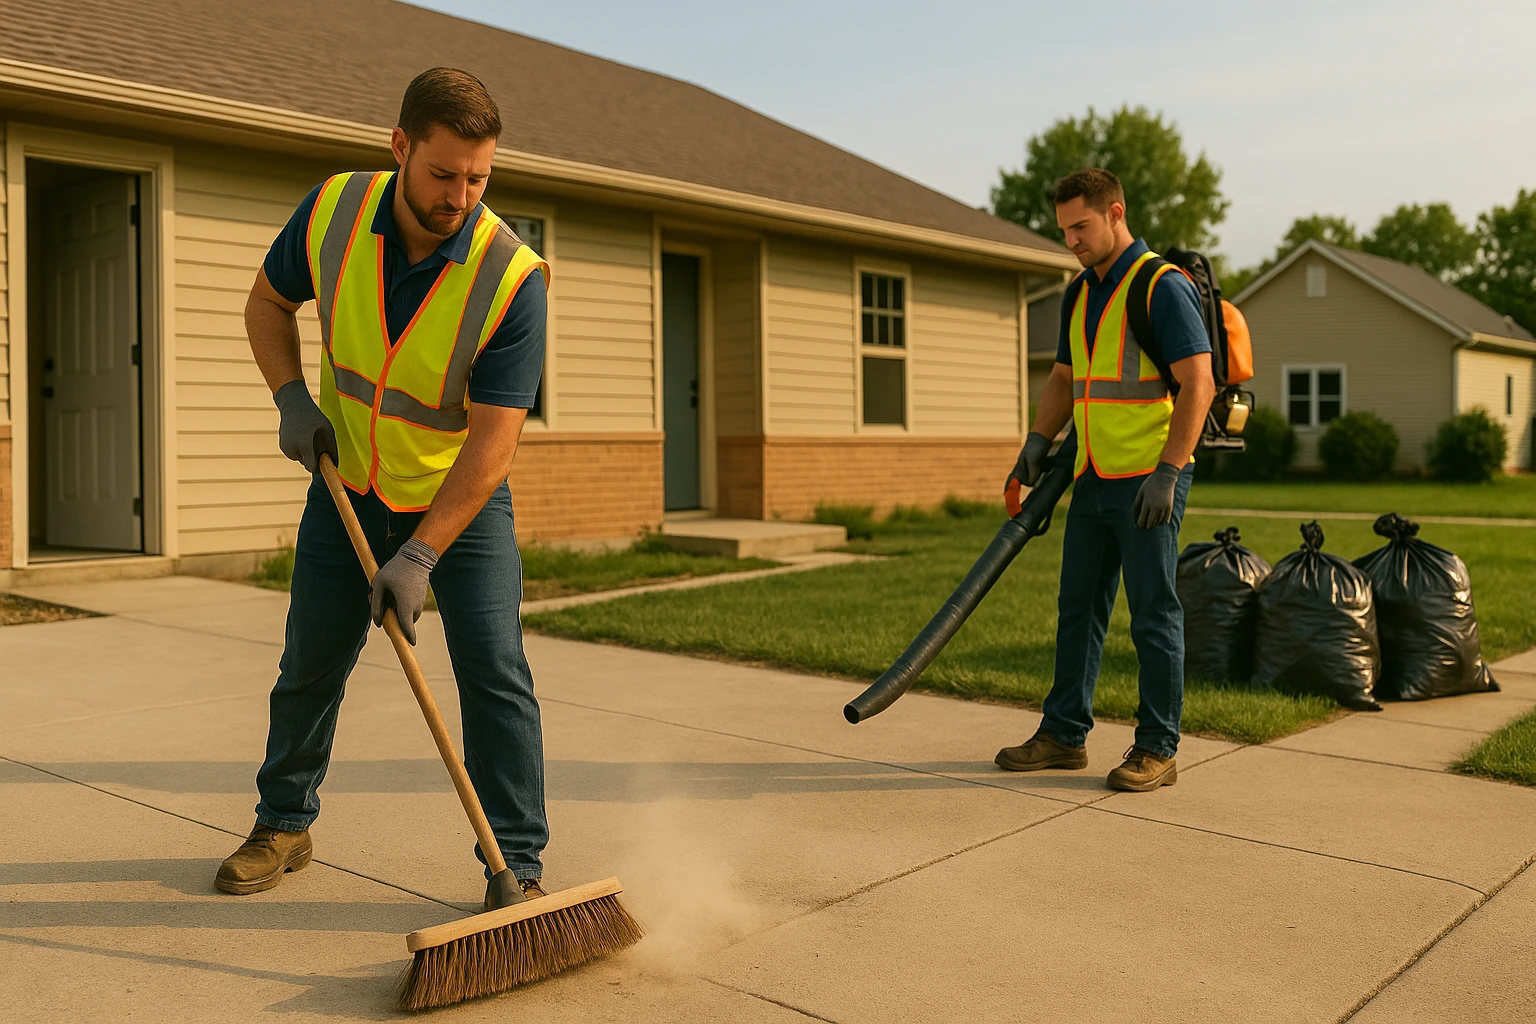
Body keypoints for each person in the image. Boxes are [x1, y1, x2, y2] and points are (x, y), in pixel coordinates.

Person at [216, 68, 552, 904]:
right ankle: (284, 823)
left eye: (479, 178)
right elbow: (266, 303)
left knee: (495, 671)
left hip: (457, 503)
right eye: (444, 174)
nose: (461, 196)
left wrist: (421, 556)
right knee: (310, 662)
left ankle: (517, 868)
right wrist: (292, 398)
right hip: (348, 481)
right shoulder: (333, 211)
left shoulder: (511, 277)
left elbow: (493, 447)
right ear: (400, 147)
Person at [996, 168, 1214, 792]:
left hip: (1149, 478)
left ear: (1116, 213)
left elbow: (1199, 383)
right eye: (1064, 230)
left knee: (1152, 614)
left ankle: (1158, 748)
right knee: (1078, 609)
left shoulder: (1160, 288)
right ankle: (1064, 735)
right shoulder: (1081, 291)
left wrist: (1169, 472)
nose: (1071, 240)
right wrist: (1037, 444)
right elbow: (1065, 379)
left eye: (1081, 227)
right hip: (1091, 474)